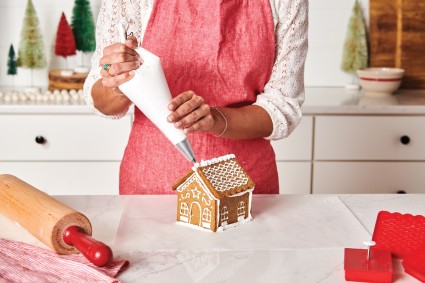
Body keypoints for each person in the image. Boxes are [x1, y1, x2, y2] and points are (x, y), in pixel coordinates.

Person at [84, 0, 308, 195]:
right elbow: (100, 95)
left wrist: (214, 119)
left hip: (244, 186)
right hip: (151, 185)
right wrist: (118, 81)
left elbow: (283, 107)